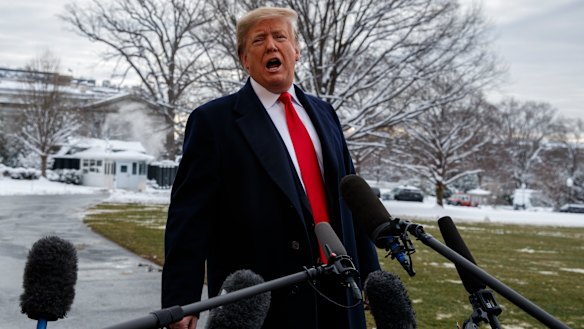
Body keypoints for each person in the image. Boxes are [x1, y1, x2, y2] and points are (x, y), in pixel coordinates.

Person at [162, 6, 380, 329]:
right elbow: (189, 218)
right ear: (244, 59)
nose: (271, 46)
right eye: (258, 40)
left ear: (296, 50)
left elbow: (351, 199)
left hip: (340, 293)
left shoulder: (325, 114)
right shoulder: (213, 123)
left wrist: (372, 281)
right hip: (262, 304)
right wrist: (182, 303)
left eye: (280, 36)